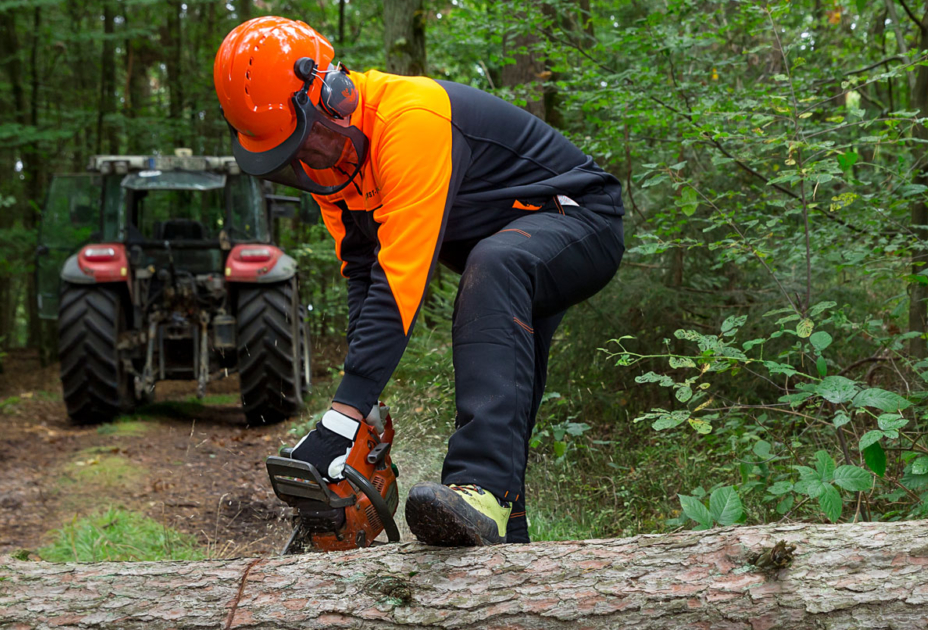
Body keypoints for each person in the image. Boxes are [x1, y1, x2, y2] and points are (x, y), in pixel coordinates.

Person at [213, 16, 624, 546]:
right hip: (509, 244)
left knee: (495, 264)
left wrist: (340, 420)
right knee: (507, 387)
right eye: (293, 159)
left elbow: (398, 287)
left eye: (309, 144)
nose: (309, 166)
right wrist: (357, 412)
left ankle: (481, 485)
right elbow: (363, 278)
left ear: (332, 93)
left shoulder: (412, 122)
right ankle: (505, 547)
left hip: (578, 219)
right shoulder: (334, 174)